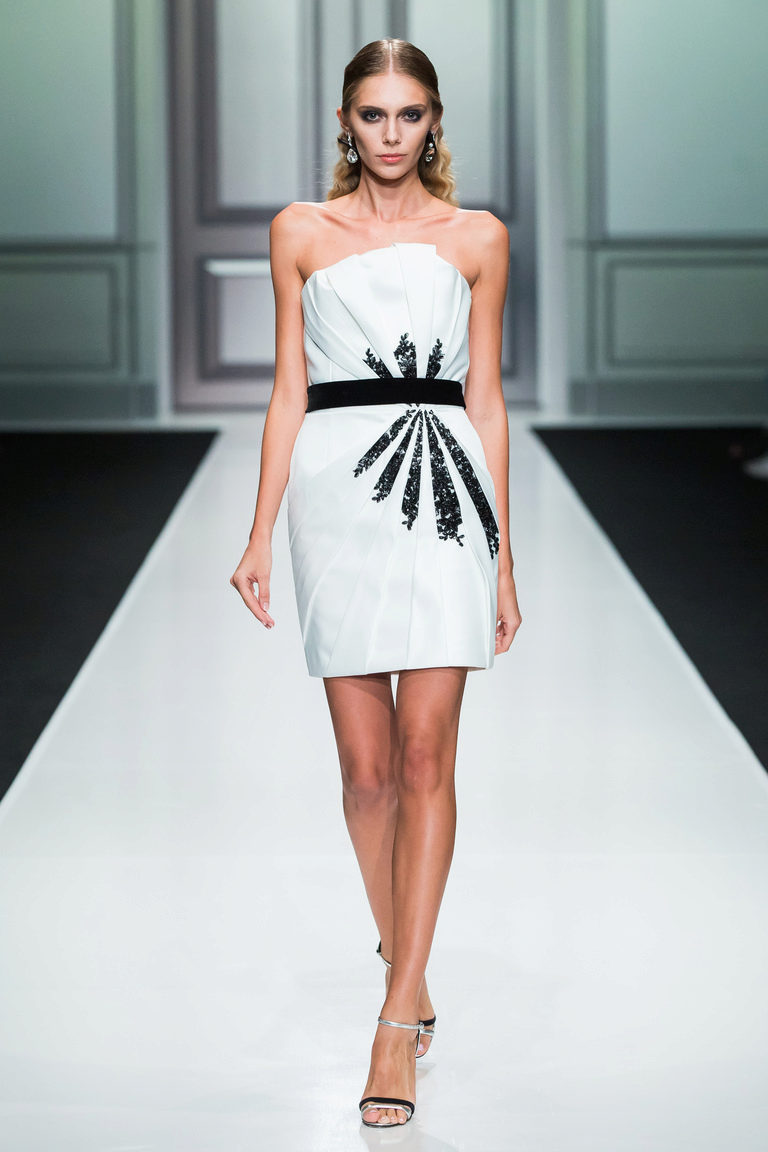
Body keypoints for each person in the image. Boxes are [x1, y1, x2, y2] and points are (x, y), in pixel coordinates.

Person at [230, 37, 522, 1128]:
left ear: (434, 121)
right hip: (334, 498)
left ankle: (396, 1020)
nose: (391, 133)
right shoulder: (300, 232)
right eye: (372, 114)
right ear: (345, 123)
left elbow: (485, 399)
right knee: (364, 775)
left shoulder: (478, 237)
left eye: (409, 114)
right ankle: (408, 953)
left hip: (446, 498)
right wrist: (259, 531)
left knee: (424, 755)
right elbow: (287, 391)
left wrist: (504, 553)